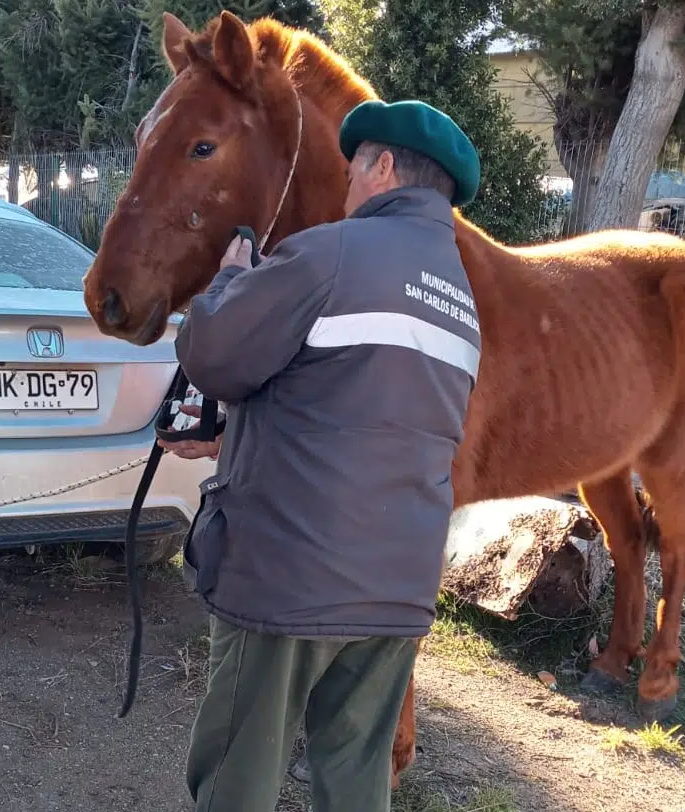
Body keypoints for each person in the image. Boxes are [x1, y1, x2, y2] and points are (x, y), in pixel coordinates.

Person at [161, 98, 483, 812]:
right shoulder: (459, 299)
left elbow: (213, 355)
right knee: (357, 777)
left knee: (239, 775)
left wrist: (229, 280)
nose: (344, 188)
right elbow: (366, 412)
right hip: (397, 587)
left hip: (290, 579)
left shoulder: (330, 253)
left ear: (385, 167)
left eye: (351, 170)